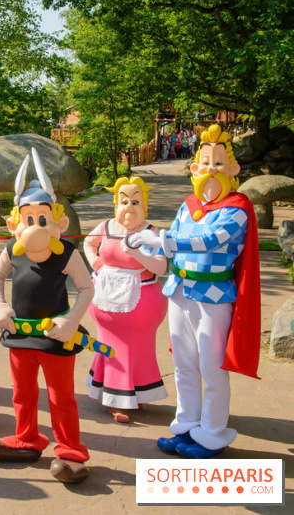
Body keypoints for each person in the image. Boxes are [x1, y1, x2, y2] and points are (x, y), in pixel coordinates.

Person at [129, 124, 261, 459]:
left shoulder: (237, 209)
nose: (210, 169)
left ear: (232, 170)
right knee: (185, 364)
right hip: (179, 291)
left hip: (214, 296)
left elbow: (209, 240)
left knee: (211, 367)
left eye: (218, 163)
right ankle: (187, 425)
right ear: (194, 169)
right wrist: (141, 250)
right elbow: (168, 252)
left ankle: (212, 434)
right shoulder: (188, 205)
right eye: (205, 162)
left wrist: (160, 239)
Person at [0, 148, 94, 484]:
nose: (35, 226)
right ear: (16, 223)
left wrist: (70, 320)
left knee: (60, 396)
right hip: (20, 334)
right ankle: (26, 439)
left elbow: (86, 289)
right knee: (22, 392)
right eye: (29, 219)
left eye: (42, 218)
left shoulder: (66, 253)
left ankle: (70, 451)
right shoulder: (13, 250)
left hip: (55, 336)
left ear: (58, 221)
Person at [83, 177, 168, 423]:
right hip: (106, 301)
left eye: (135, 201)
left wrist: (136, 253)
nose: (129, 207)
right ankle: (116, 399)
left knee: (138, 349)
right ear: (115, 204)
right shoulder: (107, 226)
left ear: (145, 205)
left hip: (142, 299)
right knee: (114, 348)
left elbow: (161, 267)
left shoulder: (152, 234)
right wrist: (98, 265)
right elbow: (89, 243)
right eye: (123, 201)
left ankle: (135, 391)